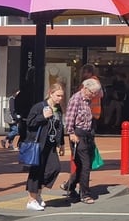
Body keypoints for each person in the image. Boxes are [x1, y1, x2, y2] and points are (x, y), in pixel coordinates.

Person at [24, 83, 65, 211]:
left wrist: (61, 143)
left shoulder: (58, 109)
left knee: (54, 168)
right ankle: (31, 200)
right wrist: (43, 117)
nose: (60, 98)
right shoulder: (39, 107)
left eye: (61, 96)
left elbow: (60, 127)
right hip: (38, 144)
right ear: (50, 93)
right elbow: (30, 123)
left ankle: (38, 194)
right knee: (36, 172)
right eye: (58, 95)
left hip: (51, 144)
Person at [61, 78, 103, 205]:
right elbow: (69, 117)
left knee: (82, 164)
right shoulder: (76, 99)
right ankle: (85, 193)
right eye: (92, 92)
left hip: (88, 134)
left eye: (95, 93)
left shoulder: (88, 99)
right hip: (78, 134)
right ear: (84, 88)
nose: (94, 95)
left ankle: (69, 185)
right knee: (85, 165)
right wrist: (71, 133)